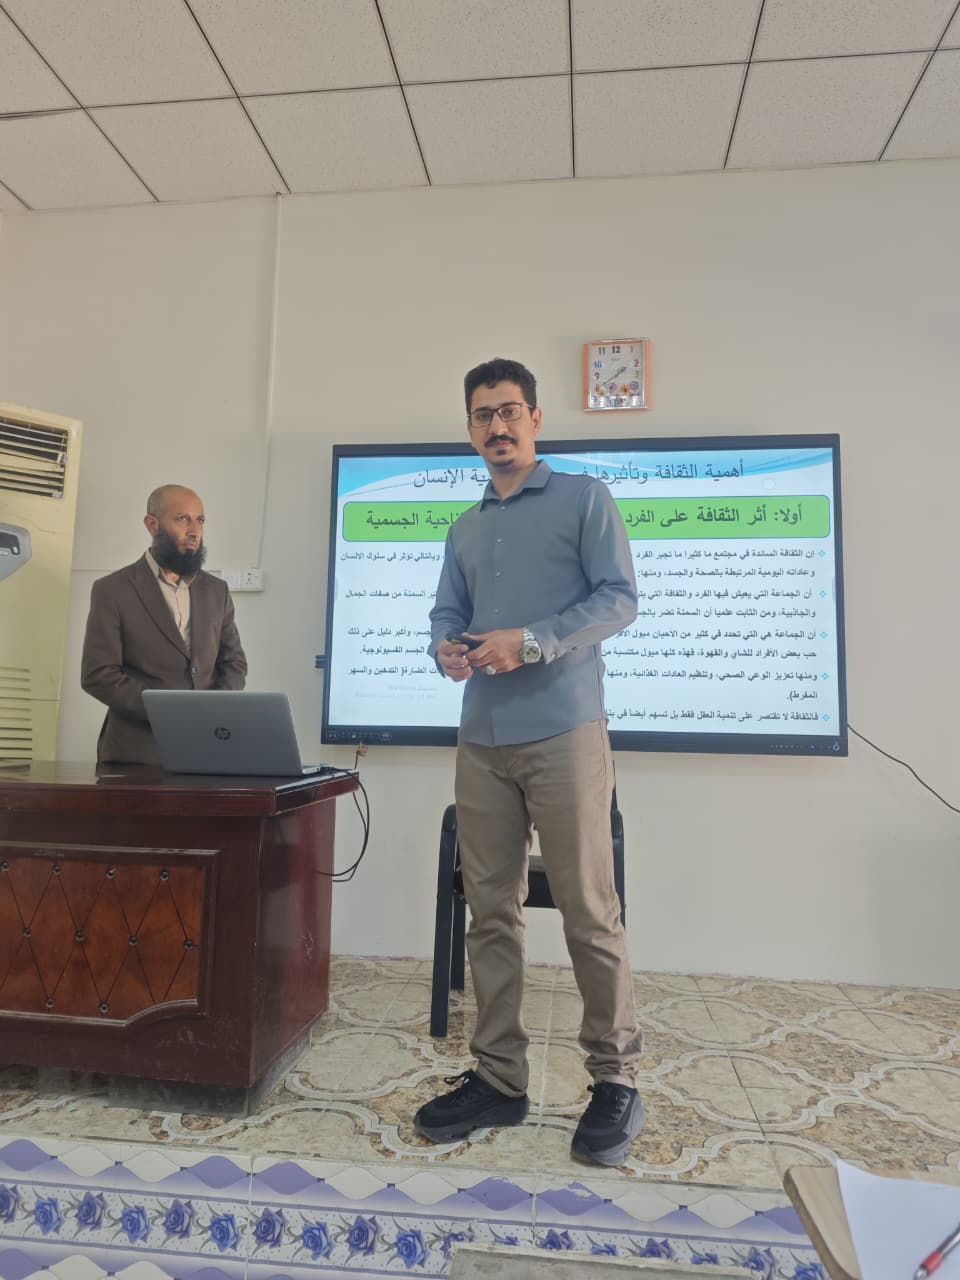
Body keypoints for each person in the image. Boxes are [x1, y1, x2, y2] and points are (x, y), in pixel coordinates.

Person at [418, 357, 644, 1166]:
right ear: (470, 428)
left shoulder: (584, 498)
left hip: (564, 734)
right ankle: (499, 1078)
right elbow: (446, 612)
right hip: (482, 739)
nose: (498, 426)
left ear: (536, 419)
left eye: (510, 411)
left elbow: (619, 598)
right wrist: (445, 647)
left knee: (588, 907)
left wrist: (535, 640)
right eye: (483, 415)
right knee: (490, 911)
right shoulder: (464, 527)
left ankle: (615, 1079)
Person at [81, 484, 247, 764]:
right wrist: (168, 712)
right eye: (182, 519)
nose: (194, 530)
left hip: (207, 748)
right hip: (136, 754)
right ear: (152, 524)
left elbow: (234, 663)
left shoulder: (217, 590)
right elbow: (98, 674)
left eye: (200, 520)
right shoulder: (113, 589)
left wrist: (213, 710)